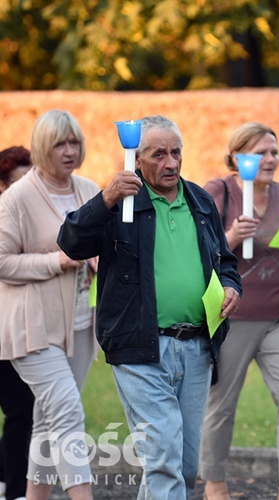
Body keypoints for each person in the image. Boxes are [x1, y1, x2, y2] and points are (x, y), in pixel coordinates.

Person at [57, 115, 242, 499]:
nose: (171, 163)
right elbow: (71, 242)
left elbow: (225, 261)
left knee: (184, 465)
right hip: (140, 348)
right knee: (163, 457)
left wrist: (229, 286)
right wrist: (105, 199)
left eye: (176, 153)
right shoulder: (119, 204)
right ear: (137, 160)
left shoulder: (200, 201)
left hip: (196, 347)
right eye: (159, 154)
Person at [198, 122, 279, 500]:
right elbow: (195, 249)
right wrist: (229, 238)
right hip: (231, 317)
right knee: (221, 405)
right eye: (259, 152)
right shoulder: (219, 192)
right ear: (236, 157)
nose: (269, 159)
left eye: (274, 152)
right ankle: (215, 486)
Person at [0, 111, 100, 500]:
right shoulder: (16, 198)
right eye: (60, 143)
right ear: (43, 147)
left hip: (78, 324)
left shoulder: (89, 190)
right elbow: (3, 263)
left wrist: (99, 259)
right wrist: (56, 260)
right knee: (68, 413)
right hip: (32, 327)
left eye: (74, 142)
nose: (70, 150)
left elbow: (104, 246)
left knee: (46, 418)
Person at [0, 145, 35, 500]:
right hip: (3, 327)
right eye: (17, 183)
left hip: (19, 328)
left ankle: (11, 488)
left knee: (22, 408)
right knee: (21, 409)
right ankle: (14, 490)